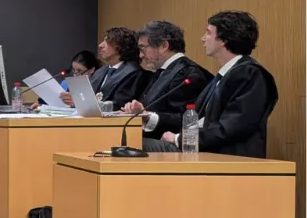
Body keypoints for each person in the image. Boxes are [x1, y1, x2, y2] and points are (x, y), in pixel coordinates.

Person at [146, 11, 278, 156]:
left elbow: (232, 127)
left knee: (139, 145)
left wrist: (179, 138)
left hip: (229, 157)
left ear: (223, 40)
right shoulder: (226, 74)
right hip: (206, 150)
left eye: (208, 33)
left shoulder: (250, 74)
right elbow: (203, 120)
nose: (203, 39)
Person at [121, 20, 211, 143]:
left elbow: (185, 119)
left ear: (164, 46)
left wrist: (147, 116)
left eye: (143, 49)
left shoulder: (188, 74)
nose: (141, 55)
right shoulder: (162, 71)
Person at [59, 27, 148, 110]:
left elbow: (119, 105)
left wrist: (81, 103)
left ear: (121, 47)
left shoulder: (134, 73)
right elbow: (88, 99)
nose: (100, 45)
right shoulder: (101, 71)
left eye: (107, 42)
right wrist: (74, 100)